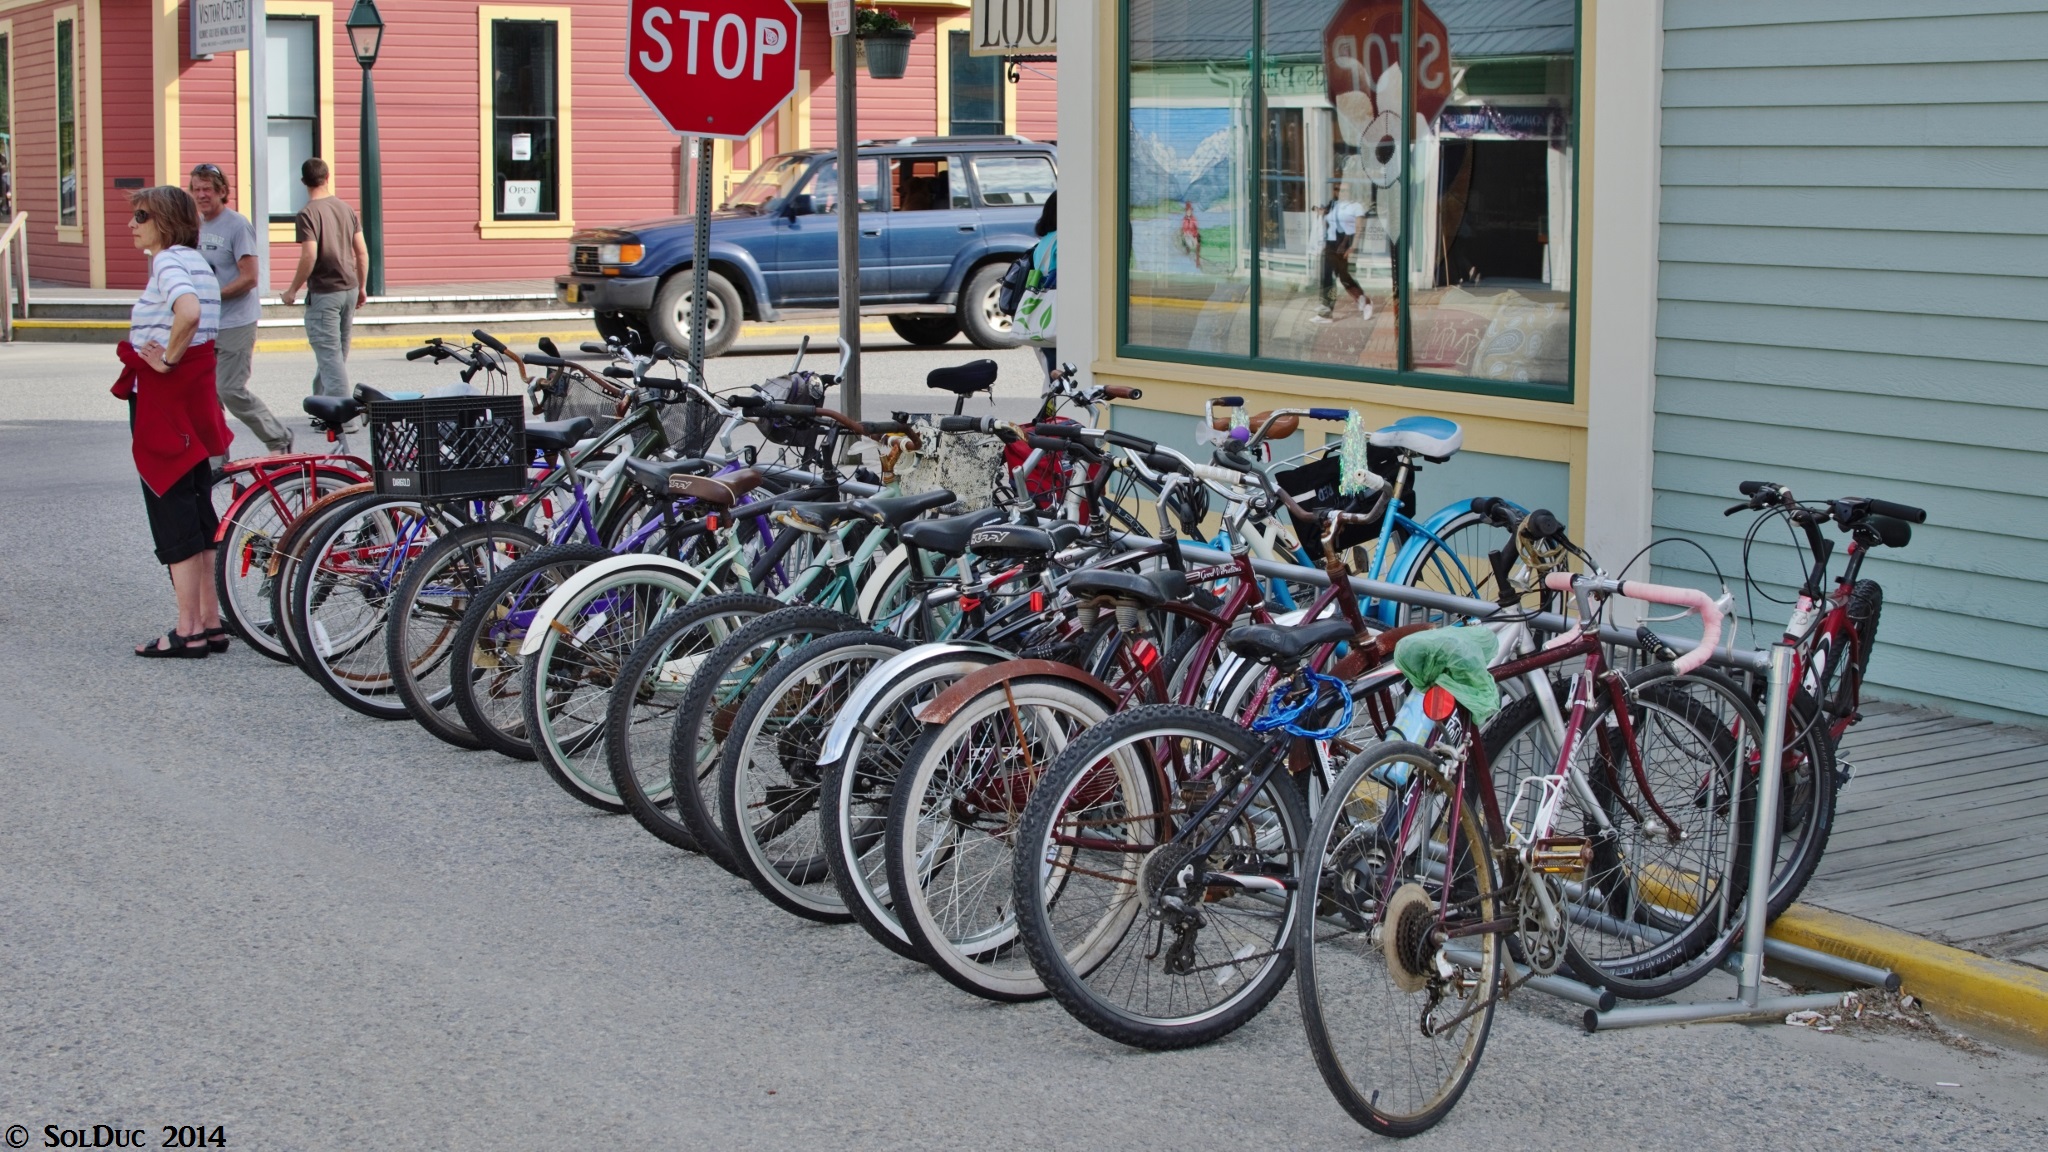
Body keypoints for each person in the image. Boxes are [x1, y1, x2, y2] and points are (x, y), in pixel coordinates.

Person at [114, 185, 232, 658]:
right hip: (195, 398)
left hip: (165, 399)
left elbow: (188, 311)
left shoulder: (166, 262)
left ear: (163, 220)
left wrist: (166, 358)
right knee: (197, 504)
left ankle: (188, 630)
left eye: (140, 215)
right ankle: (210, 620)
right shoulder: (197, 261)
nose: (132, 224)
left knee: (171, 505)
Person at [191, 162, 291, 456]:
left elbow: (249, 278)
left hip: (236, 321)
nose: (201, 195)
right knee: (205, 394)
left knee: (229, 389)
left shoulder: (236, 225)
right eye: (196, 189)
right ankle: (216, 456)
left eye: (207, 189)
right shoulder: (195, 225)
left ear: (222, 192)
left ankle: (277, 437)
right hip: (205, 323)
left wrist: (212, 296)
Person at [280, 158, 368, 451]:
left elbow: (309, 255)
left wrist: (293, 289)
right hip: (349, 288)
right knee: (335, 353)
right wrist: (362, 286)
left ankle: (346, 418)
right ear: (328, 176)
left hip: (326, 292)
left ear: (303, 181)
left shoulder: (307, 213)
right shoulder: (345, 208)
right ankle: (322, 408)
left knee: (330, 355)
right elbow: (362, 253)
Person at [1313, 180, 1368, 323]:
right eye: (1337, 189)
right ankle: (1327, 308)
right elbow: (1324, 215)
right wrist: (1318, 211)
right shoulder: (1334, 204)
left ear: (1351, 192)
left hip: (1343, 243)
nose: (1339, 192)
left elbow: (1359, 229)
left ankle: (1327, 311)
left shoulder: (1356, 207)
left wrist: (1353, 247)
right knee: (1331, 275)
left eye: (1344, 190)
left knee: (1338, 276)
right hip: (1330, 243)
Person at [1029, 192, 1059, 380]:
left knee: (1052, 377)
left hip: (1043, 317)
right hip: (1058, 314)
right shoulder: (1063, 240)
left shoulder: (1043, 242)